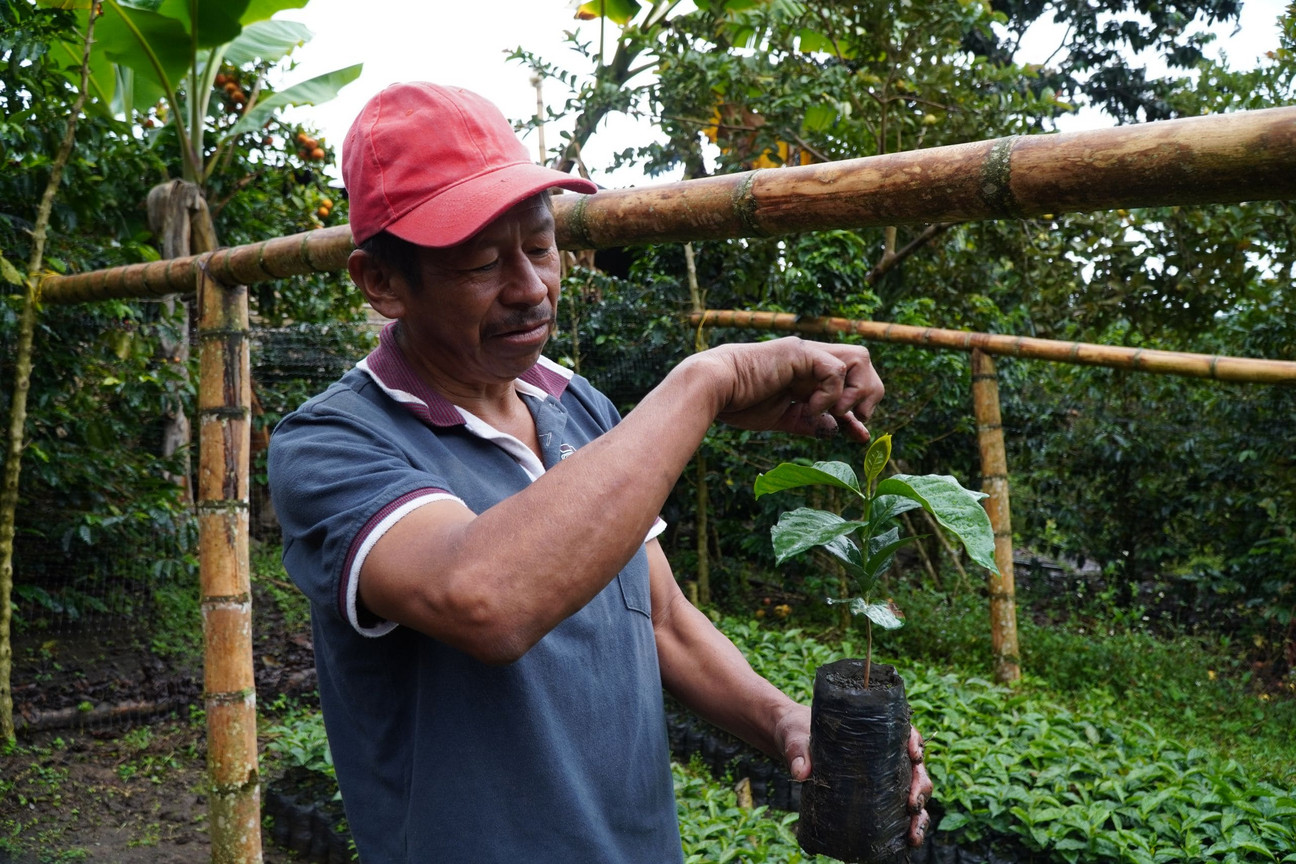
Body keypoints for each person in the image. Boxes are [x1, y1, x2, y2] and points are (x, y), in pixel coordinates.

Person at [268, 81, 932, 863]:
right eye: (482, 262)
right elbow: (486, 599)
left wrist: (781, 717)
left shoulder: (578, 405)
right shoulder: (332, 444)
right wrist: (704, 382)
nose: (530, 288)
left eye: (541, 246)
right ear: (381, 283)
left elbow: (658, 619)